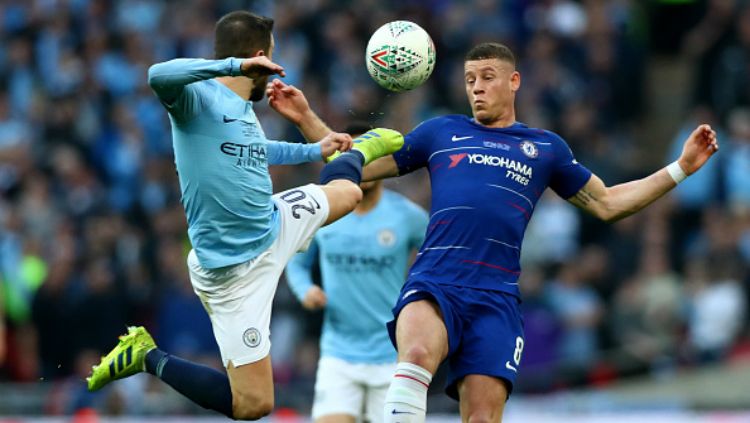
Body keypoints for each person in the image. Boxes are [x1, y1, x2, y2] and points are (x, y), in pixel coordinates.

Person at [272, 42, 719, 422]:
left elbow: (608, 204)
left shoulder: (545, 148)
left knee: (482, 416)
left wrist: (681, 168)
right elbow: (354, 165)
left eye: (487, 77)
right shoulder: (441, 132)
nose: (477, 87)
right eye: (469, 80)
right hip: (436, 281)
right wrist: (307, 118)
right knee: (415, 358)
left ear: (514, 82)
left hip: (495, 297)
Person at [85, 11, 404, 421]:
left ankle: (359, 151)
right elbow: (156, 74)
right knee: (254, 404)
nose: (271, 72)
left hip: (273, 223)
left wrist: (315, 149)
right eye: (269, 59)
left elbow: (257, 150)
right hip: (234, 273)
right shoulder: (195, 99)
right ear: (257, 57)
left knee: (348, 193)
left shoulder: (243, 110)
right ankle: (146, 356)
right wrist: (233, 67)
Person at [285, 122, 429, 423]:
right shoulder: (323, 209)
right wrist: (305, 289)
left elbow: (439, 253)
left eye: (368, 154)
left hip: (392, 355)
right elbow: (295, 260)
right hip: (339, 353)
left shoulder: (406, 216)